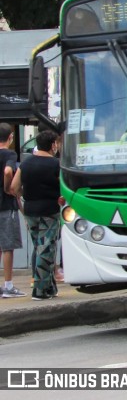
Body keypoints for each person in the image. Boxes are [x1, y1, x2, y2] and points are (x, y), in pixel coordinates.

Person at [10, 129, 61, 301]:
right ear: (53, 145)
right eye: (57, 143)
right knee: (46, 250)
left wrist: (27, 193)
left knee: (39, 248)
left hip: (30, 210)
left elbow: (14, 188)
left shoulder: (25, 163)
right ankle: (39, 290)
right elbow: (64, 189)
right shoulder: (56, 165)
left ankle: (49, 288)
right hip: (49, 211)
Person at [0, 123, 26, 298]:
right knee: (8, 247)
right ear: (10, 137)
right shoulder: (9, 154)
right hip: (6, 207)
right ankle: (8, 286)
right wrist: (7, 187)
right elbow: (8, 171)